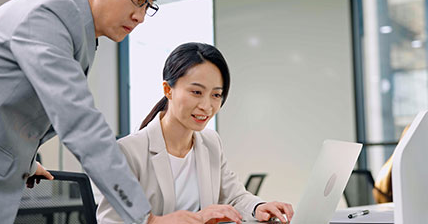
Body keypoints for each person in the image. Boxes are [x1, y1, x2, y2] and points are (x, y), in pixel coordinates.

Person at [0, 0, 202, 223]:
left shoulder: (75, 29)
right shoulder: (48, 14)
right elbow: (79, 121)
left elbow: (0, 105)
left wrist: (27, 163)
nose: (140, 16)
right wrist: (146, 217)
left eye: (148, 5)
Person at [96, 43, 295, 224]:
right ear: (168, 90)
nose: (206, 106)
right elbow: (111, 222)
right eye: (196, 92)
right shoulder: (129, 152)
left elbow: (234, 196)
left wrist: (258, 207)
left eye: (216, 95)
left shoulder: (210, 142)